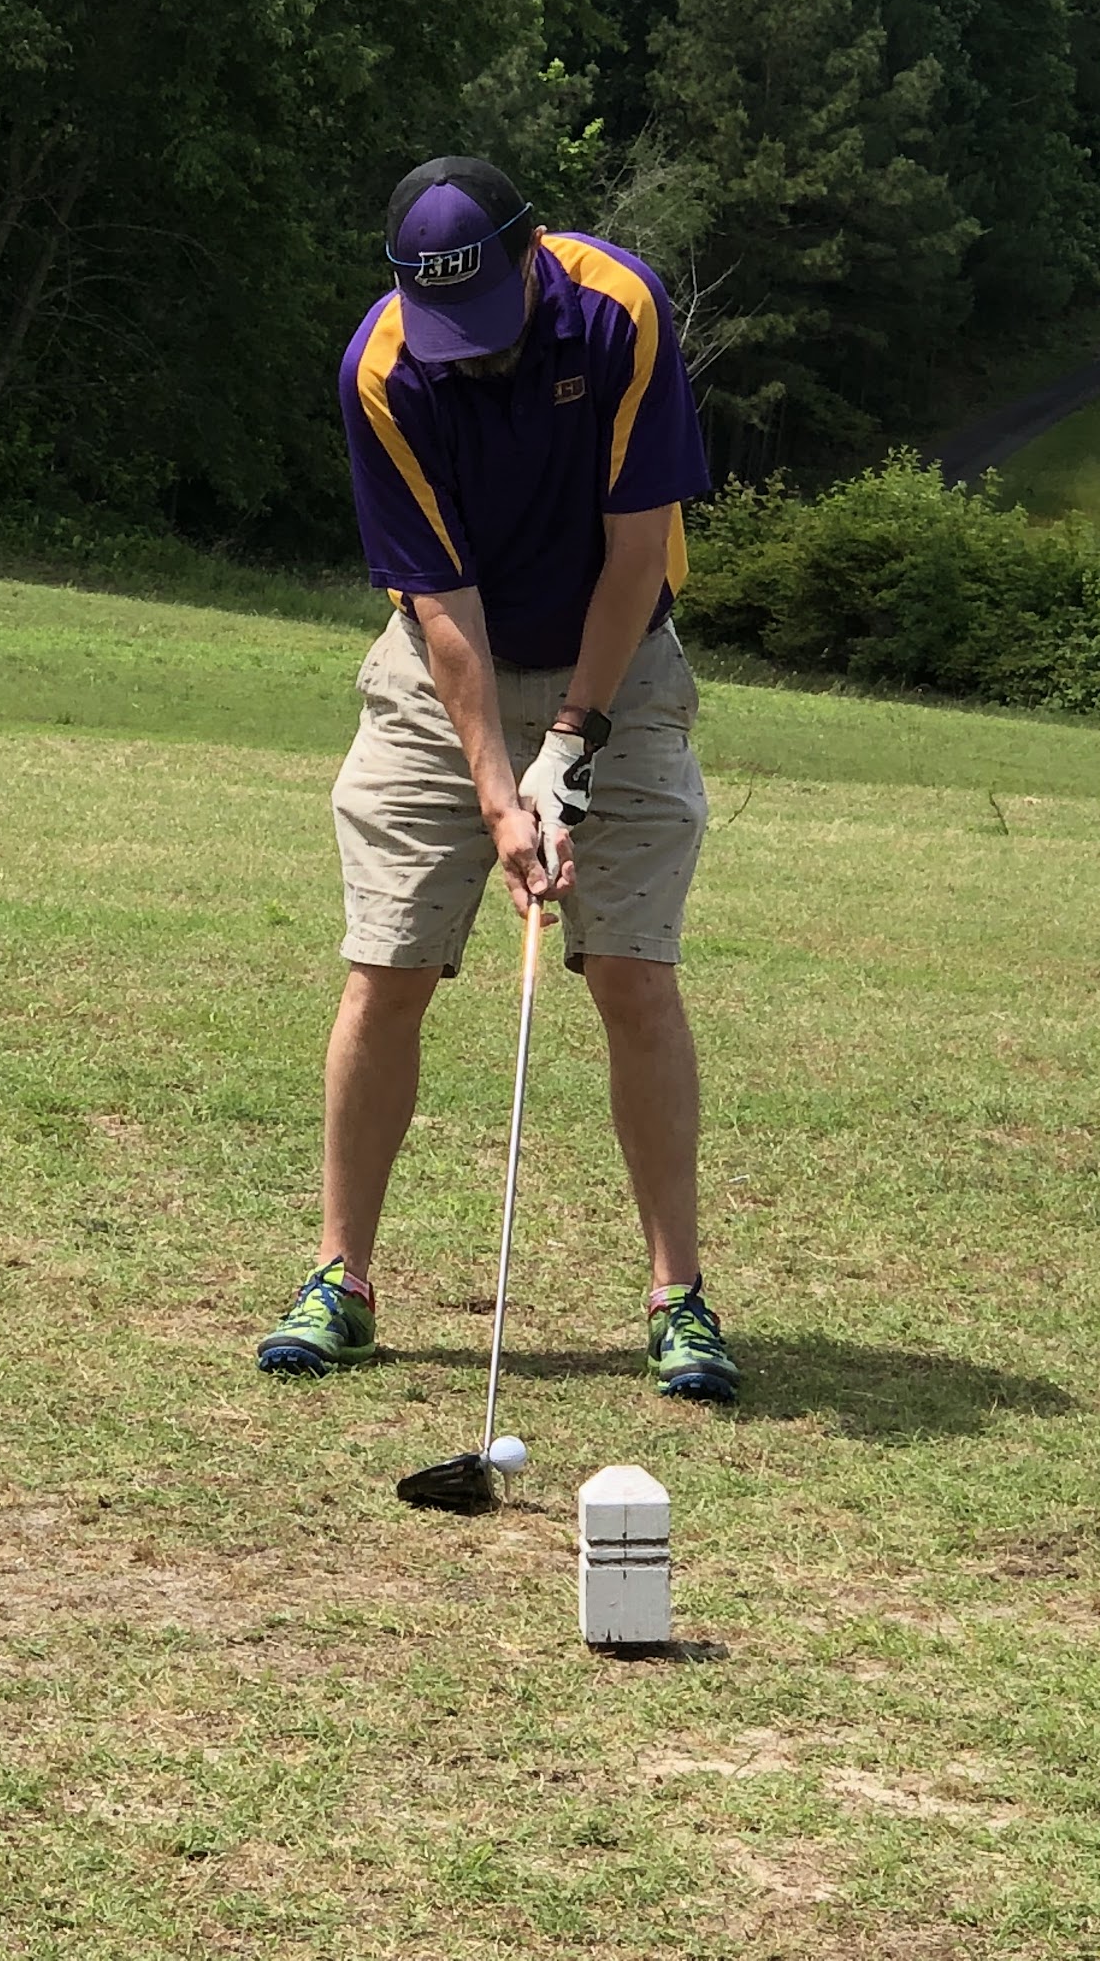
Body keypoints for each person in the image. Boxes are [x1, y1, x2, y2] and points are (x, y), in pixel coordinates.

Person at [256, 154, 738, 1402]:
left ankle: (679, 1297)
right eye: (442, 325)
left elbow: (637, 554)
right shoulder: (382, 368)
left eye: (483, 314)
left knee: (632, 971)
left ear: (534, 253)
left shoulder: (619, 310)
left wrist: (570, 745)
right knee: (388, 967)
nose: (466, 350)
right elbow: (442, 599)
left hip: (619, 654)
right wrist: (495, 787)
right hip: (441, 674)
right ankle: (340, 1281)